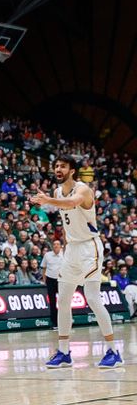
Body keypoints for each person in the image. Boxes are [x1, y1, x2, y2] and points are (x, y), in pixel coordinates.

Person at [30, 155, 123, 368]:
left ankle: (113, 351)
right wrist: (65, 245)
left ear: (72, 170)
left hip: (89, 247)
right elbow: (66, 222)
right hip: (71, 249)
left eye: (62, 166)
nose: (58, 169)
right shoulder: (56, 192)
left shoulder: (83, 189)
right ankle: (63, 352)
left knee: (92, 298)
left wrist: (47, 201)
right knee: (63, 300)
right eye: (56, 166)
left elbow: (72, 203)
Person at [40, 239, 64, 329]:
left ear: (61, 246)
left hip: (61, 281)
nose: (56, 246)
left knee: (63, 302)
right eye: (54, 244)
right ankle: (54, 323)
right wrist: (45, 280)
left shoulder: (64, 254)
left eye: (58, 244)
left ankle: (64, 322)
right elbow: (44, 268)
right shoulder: (47, 255)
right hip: (50, 280)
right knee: (52, 302)